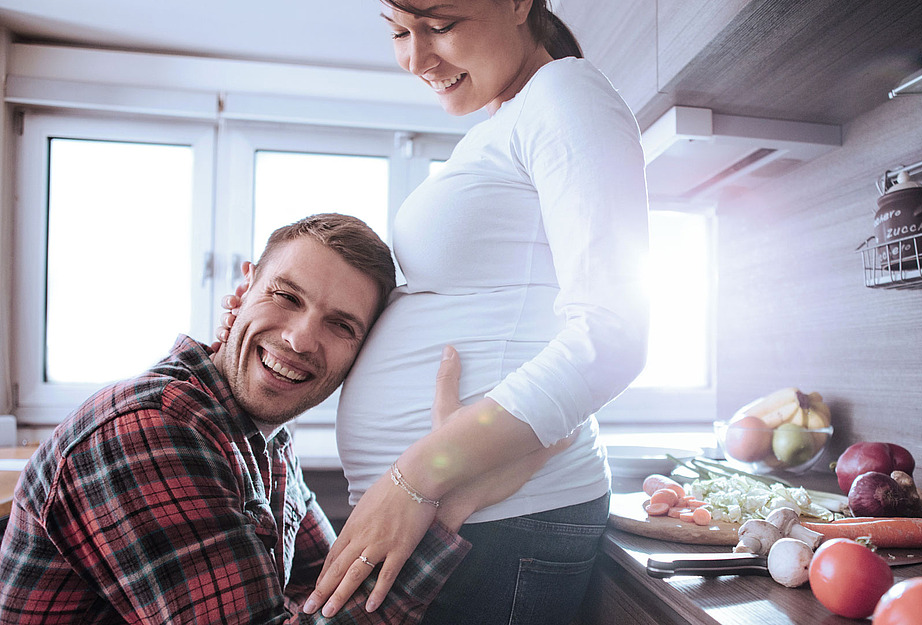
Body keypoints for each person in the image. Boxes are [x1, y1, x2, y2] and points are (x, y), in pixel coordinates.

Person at [219, 2, 650, 622]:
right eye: (399, 32)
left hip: (500, 514)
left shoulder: (566, 93)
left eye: (440, 26)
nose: (416, 59)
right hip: (471, 508)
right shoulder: (511, 119)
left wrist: (417, 474)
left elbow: (617, 333)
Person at [0, 214, 560, 625]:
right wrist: (457, 495)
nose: (299, 339)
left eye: (342, 326)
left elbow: (329, 592)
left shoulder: (268, 445)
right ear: (243, 289)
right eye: (286, 296)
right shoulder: (150, 431)